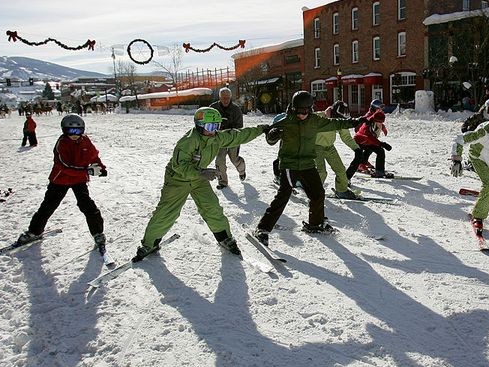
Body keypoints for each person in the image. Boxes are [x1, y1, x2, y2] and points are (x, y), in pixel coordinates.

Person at [133, 108, 271, 261]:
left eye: (217, 126)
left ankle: (224, 237)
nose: (214, 131)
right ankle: (149, 244)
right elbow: (179, 166)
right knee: (167, 212)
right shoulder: (188, 141)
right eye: (210, 127)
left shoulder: (216, 138)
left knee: (212, 207)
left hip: (199, 178)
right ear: (199, 125)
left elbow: (237, 135)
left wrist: (261, 129)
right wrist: (201, 173)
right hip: (178, 180)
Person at [253, 91, 364, 245]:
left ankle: (315, 224)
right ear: (293, 108)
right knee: (283, 196)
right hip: (289, 164)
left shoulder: (315, 121)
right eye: (298, 111)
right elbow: (270, 139)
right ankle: (262, 229)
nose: (301, 115)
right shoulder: (286, 121)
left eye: (305, 111)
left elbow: (335, 123)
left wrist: (354, 122)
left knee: (318, 193)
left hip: (307, 164)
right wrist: (272, 135)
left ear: (310, 109)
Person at [15, 115, 108, 252]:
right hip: (60, 180)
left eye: (78, 132)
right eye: (71, 132)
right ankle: (34, 231)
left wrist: (100, 167)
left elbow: (93, 156)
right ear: (65, 131)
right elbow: (65, 166)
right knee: (48, 206)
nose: (74, 135)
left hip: (79, 180)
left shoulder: (85, 141)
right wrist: (85, 170)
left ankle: (98, 233)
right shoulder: (62, 143)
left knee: (87, 205)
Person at [315, 101, 360, 199]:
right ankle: (313, 191)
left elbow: (346, 137)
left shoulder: (339, 121)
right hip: (316, 147)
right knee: (321, 172)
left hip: (330, 147)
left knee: (340, 170)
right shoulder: (318, 117)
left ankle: (342, 190)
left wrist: (357, 149)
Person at [210, 87, 245, 189]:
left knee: (234, 159)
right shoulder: (213, 108)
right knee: (219, 160)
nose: (225, 100)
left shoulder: (236, 109)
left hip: (233, 138)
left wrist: (229, 130)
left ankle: (242, 171)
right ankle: (223, 182)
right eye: (223, 98)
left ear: (230, 98)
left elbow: (239, 127)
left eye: (227, 98)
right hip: (219, 138)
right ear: (219, 97)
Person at [346, 109, 392, 179]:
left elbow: (381, 125)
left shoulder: (377, 120)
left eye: (382, 122)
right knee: (359, 156)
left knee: (380, 151)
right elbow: (370, 137)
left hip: (368, 142)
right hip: (359, 141)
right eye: (379, 122)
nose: (381, 123)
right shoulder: (368, 124)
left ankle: (379, 172)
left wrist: (384, 129)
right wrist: (382, 144)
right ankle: (351, 174)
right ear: (375, 120)